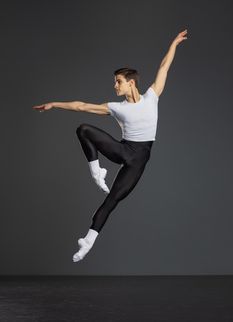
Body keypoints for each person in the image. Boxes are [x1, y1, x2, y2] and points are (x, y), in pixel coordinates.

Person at [32, 30, 188, 262]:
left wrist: (174, 43)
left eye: (118, 82)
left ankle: (87, 242)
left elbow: (164, 66)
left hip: (139, 160)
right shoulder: (116, 107)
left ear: (131, 83)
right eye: (115, 82)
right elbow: (82, 106)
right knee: (83, 128)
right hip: (123, 150)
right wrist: (54, 103)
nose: (115, 85)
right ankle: (97, 170)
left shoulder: (152, 97)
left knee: (111, 201)